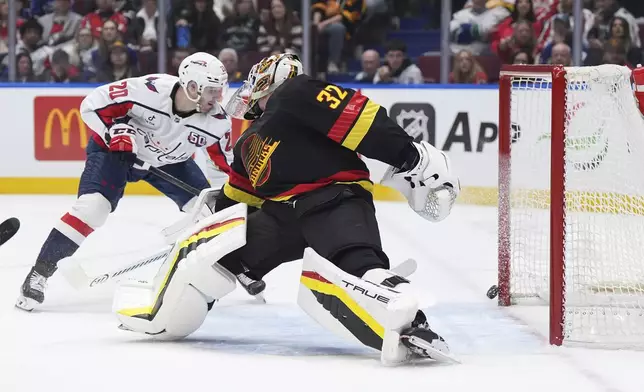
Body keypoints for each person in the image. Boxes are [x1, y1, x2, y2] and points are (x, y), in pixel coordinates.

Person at [114, 53, 461, 365]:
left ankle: (412, 323)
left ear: (266, 80)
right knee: (212, 263)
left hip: (333, 196)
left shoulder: (296, 92)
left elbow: (361, 120)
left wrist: (409, 155)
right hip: (283, 216)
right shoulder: (249, 141)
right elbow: (237, 198)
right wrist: (204, 223)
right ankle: (165, 314)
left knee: (358, 263)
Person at [16, 52, 264, 311]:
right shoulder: (147, 91)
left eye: (220, 90)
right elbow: (90, 105)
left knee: (210, 213)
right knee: (92, 208)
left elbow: (224, 167)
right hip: (117, 154)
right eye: (212, 91)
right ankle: (39, 274)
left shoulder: (216, 122)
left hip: (169, 162)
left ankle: (237, 267)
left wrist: (239, 195)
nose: (218, 98)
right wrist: (112, 132)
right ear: (192, 87)